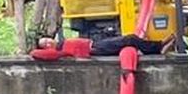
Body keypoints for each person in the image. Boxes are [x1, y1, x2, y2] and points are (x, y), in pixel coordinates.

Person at [37, 34, 175, 57]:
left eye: (47, 40)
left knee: (129, 39)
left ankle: (157, 47)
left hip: (95, 43)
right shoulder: (59, 51)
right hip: (96, 48)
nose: (49, 42)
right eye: (45, 44)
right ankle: (158, 47)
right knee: (130, 39)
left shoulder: (62, 43)